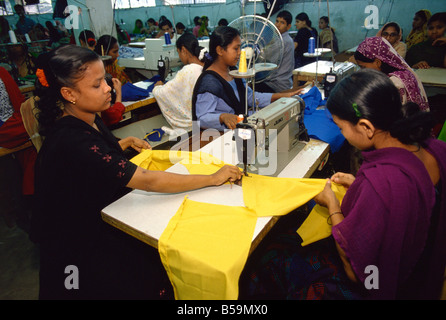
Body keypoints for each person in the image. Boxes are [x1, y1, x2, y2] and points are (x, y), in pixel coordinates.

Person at [30, 45, 242, 299]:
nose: (109, 88)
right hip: (75, 241)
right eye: (97, 85)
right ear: (69, 93)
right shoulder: (70, 138)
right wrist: (212, 178)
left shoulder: (89, 118)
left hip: (92, 216)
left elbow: (93, 158)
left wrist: (122, 143)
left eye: (105, 81)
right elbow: (147, 180)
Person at [240, 69, 446, 300]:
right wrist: (360, 184)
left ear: (366, 127)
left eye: (340, 127)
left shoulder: (380, 181)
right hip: (421, 273)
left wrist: (332, 205)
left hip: (376, 286)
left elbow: (357, 271)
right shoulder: (436, 150)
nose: (341, 133)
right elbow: (404, 201)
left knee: (265, 259)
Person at [192, 26, 303, 131]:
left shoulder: (233, 72)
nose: (240, 52)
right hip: (220, 135)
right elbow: (201, 118)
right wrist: (222, 117)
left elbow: (249, 97)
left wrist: (281, 96)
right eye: (236, 48)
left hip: (242, 127)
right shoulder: (209, 82)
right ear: (220, 50)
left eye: (240, 47)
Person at [354, 36, 429, 111]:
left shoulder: (394, 83)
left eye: (363, 67)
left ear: (377, 62)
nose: (362, 71)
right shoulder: (404, 73)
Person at [152, 33, 206, 131]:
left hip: (194, 126)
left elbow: (164, 93)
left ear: (184, 50)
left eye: (179, 52)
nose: (180, 57)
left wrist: (157, 87)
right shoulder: (204, 65)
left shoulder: (188, 71)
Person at [256, 10, 294, 93]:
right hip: (283, 81)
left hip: (277, 85)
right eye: (277, 21)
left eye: (282, 23)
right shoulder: (283, 39)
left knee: (250, 87)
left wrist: (253, 51)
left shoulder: (284, 41)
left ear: (288, 26)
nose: (278, 25)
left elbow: (265, 57)